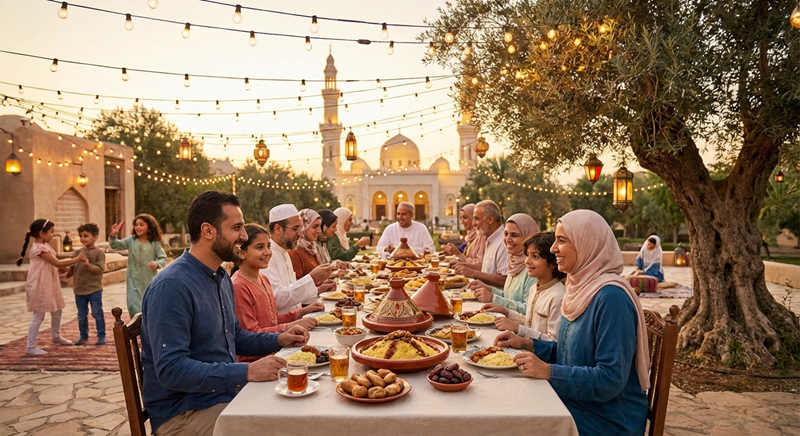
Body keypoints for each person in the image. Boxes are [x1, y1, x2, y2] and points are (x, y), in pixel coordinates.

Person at [141, 191, 311, 436]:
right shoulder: (172, 285)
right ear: (208, 231)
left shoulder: (219, 276)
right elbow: (172, 369)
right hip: (183, 413)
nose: (244, 236)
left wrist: (279, 338)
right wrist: (247, 371)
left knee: (299, 407)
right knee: (283, 426)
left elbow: (235, 336)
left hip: (222, 395)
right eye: (237, 228)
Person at [495, 210, 650, 436]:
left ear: (587, 244)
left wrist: (548, 371)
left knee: (516, 422)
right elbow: (569, 353)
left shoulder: (611, 298)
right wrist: (528, 344)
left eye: (562, 240)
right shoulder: (580, 289)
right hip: (578, 400)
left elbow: (610, 379)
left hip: (608, 418)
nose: (553, 249)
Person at [232, 224, 322, 361]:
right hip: (257, 363)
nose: (267, 252)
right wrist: (288, 327)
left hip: (276, 352)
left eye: (268, 246)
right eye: (259, 247)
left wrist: (301, 313)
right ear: (242, 253)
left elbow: (272, 320)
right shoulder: (239, 286)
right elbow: (251, 335)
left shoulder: (263, 278)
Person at [17, 219, 86, 355]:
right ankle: (31, 347)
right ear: (42, 233)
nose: (53, 235)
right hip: (40, 285)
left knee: (57, 310)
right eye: (51, 232)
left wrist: (63, 273)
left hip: (49, 283)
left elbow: (51, 265)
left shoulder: (45, 246)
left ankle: (56, 335)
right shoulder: (40, 249)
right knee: (38, 315)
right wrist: (77, 259)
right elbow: (57, 263)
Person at [483, 231, 566, 341]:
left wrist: (518, 328)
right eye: (527, 255)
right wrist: (506, 312)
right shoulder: (535, 288)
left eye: (535, 256)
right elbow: (530, 322)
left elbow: (554, 341)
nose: (527, 261)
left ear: (552, 263)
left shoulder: (558, 297)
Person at [262, 204, 333, 314]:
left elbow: (291, 294)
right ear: (278, 229)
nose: (300, 233)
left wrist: (307, 306)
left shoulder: (285, 251)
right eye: (295, 228)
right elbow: (276, 298)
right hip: (283, 324)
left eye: (300, 227)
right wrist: (312, 278)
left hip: (295, 320)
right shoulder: (267, 255)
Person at [468, 213, 539, 314]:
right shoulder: (514, 261)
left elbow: (528, 309)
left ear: (529, 237)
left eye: (514, 235)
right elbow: (508, 296)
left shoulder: (533, 267)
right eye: (505, 234)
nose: (508, 240)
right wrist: (489, 289)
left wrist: (493, 298)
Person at [109, 214, 167, 316]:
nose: (138, 227)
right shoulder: (131, 241)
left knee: (148, 305)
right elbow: (115, 245)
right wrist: (113, 235)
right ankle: (136, 324)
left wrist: (157, 263)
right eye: (136, 225)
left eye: (141, 225)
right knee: (133, 304)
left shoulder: (154, 244)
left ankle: (147, 324)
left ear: (149, 228)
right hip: (133, 279)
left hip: (148, 280)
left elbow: (163, 259)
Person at [67, 223, 106, 346]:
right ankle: (83, 336)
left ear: (95, 237)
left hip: (94, 289)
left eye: (86, 236)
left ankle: (101, 335)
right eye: (81, 236)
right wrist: (64, 275)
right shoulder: (78, 252)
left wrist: (88, 265)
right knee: (81, 315)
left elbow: (100, 270)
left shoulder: (99, 253)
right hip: (79, 290)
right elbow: (72, 268)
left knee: (97, 313)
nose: (83, 238)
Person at [453, 200, 508, 288]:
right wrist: (463, 266)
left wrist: (472, 273)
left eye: (477, 219)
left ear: (490, 219)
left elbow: (503, 280)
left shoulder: (503, 242)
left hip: (493, 295)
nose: (473, 223)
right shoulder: (490, 239)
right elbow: (486, 269)